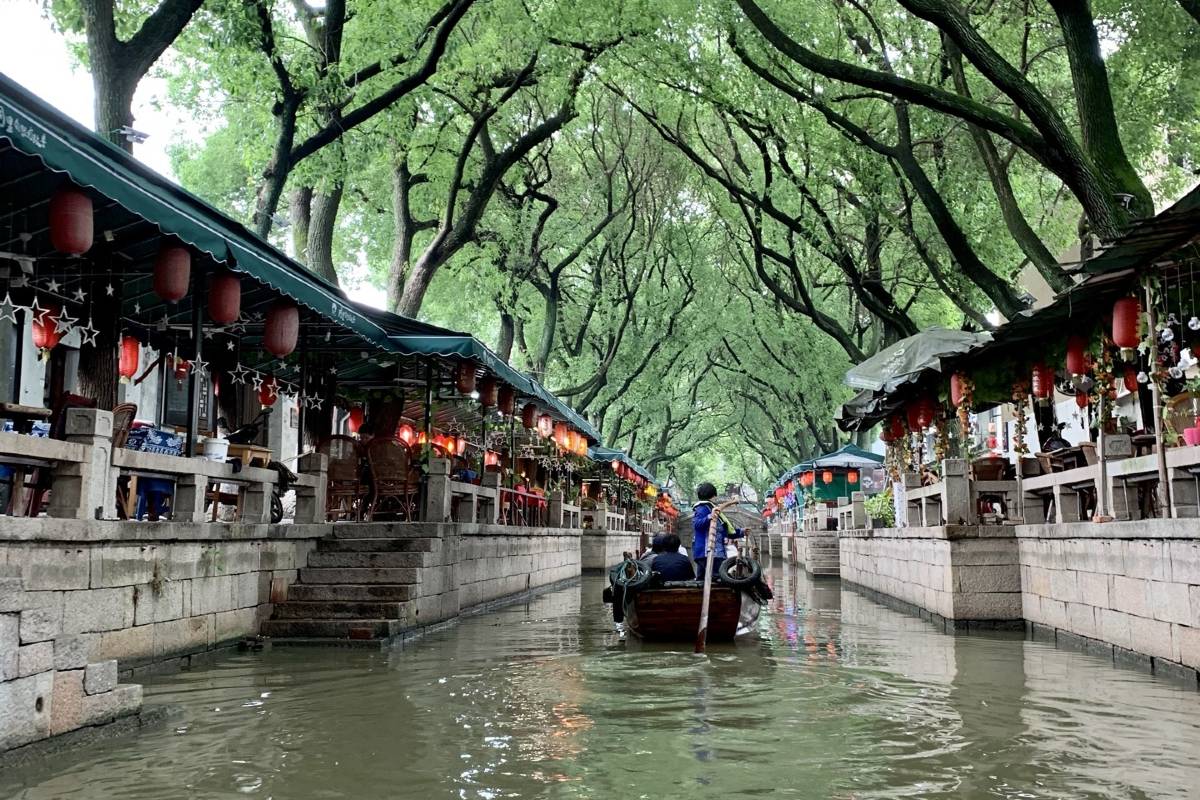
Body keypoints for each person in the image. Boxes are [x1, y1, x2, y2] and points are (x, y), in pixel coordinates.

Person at [691, 482, 745, 579]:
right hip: (706, 552)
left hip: (716, 553)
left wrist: (741, 532)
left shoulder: (712, 508)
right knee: (715, 579)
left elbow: (724, 531)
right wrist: (709, 517)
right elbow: (697, 524)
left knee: (707, 579)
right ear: (713, 495)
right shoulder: (702, 508)